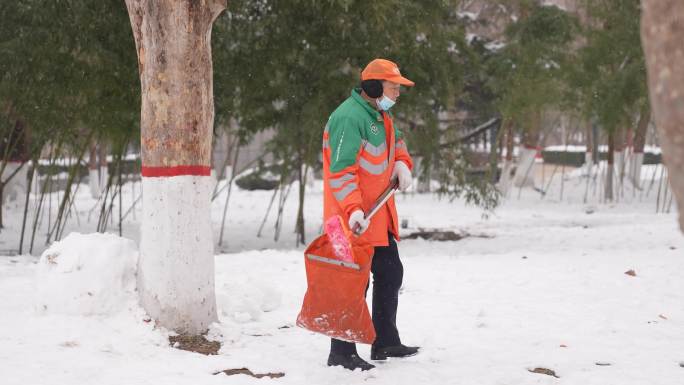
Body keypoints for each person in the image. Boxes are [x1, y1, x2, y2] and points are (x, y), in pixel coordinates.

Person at [321, 58, 419, 371]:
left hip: (377, 217)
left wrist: (403, 162)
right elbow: (341, 172)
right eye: (393, 87)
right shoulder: (348, 118)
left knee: (391, 273)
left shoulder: (381, 115)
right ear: (374, 87)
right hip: (346, 220)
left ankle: (385, 341)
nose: (397, 94)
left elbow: (397, 142)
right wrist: (352, 209)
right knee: (350, 284)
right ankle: (340, 351)